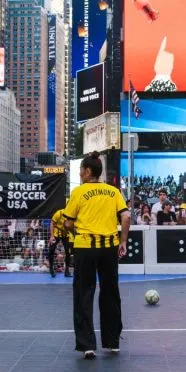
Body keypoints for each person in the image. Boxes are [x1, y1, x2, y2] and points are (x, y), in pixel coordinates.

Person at [62, 152, 131, 359]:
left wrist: (75, 231)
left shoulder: (79, 192)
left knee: (84, 293)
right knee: (110, 293)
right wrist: (123, 241)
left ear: (88, 171)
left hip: (85, 246)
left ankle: (87, 345)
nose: (80, 173)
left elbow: (67, 222)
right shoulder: (113, 191)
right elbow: (126, 216)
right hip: (109, 247)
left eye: (82, 170)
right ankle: (112, 342)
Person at [48, 208, 74, 278]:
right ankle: (51, 269)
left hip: (66, 234)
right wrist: (52, 236)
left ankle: (67, 271)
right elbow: (52, 223)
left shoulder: (72, 215)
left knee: (68, 252)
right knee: (51, 250)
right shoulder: (59, 213)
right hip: (56, 233)